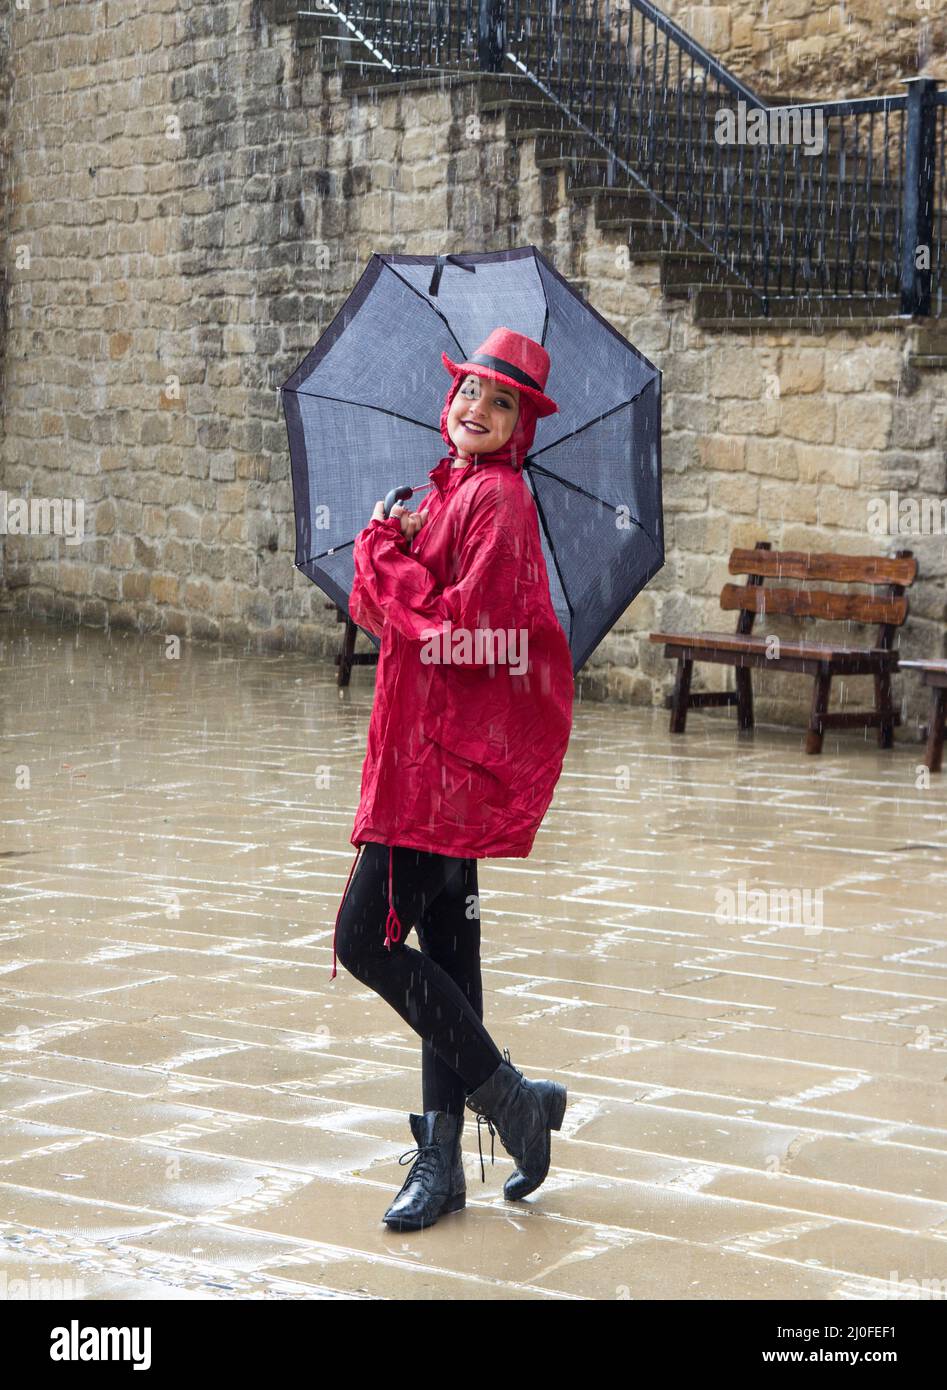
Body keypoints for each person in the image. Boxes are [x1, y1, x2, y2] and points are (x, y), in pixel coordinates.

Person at [332, 327, 575, 1231]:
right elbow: (379, 613)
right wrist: (387, 541)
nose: (475, 407)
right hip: (422, 755)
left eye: (499, 400)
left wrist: (392, 560)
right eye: (469, 390)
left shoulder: (499, 503)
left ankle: (509, 1099)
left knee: (363, 941)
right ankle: (442, 1161)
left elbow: (467, 637)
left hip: (437, 774)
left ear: (520, 426)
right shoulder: (445, 494)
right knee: (447, 957)